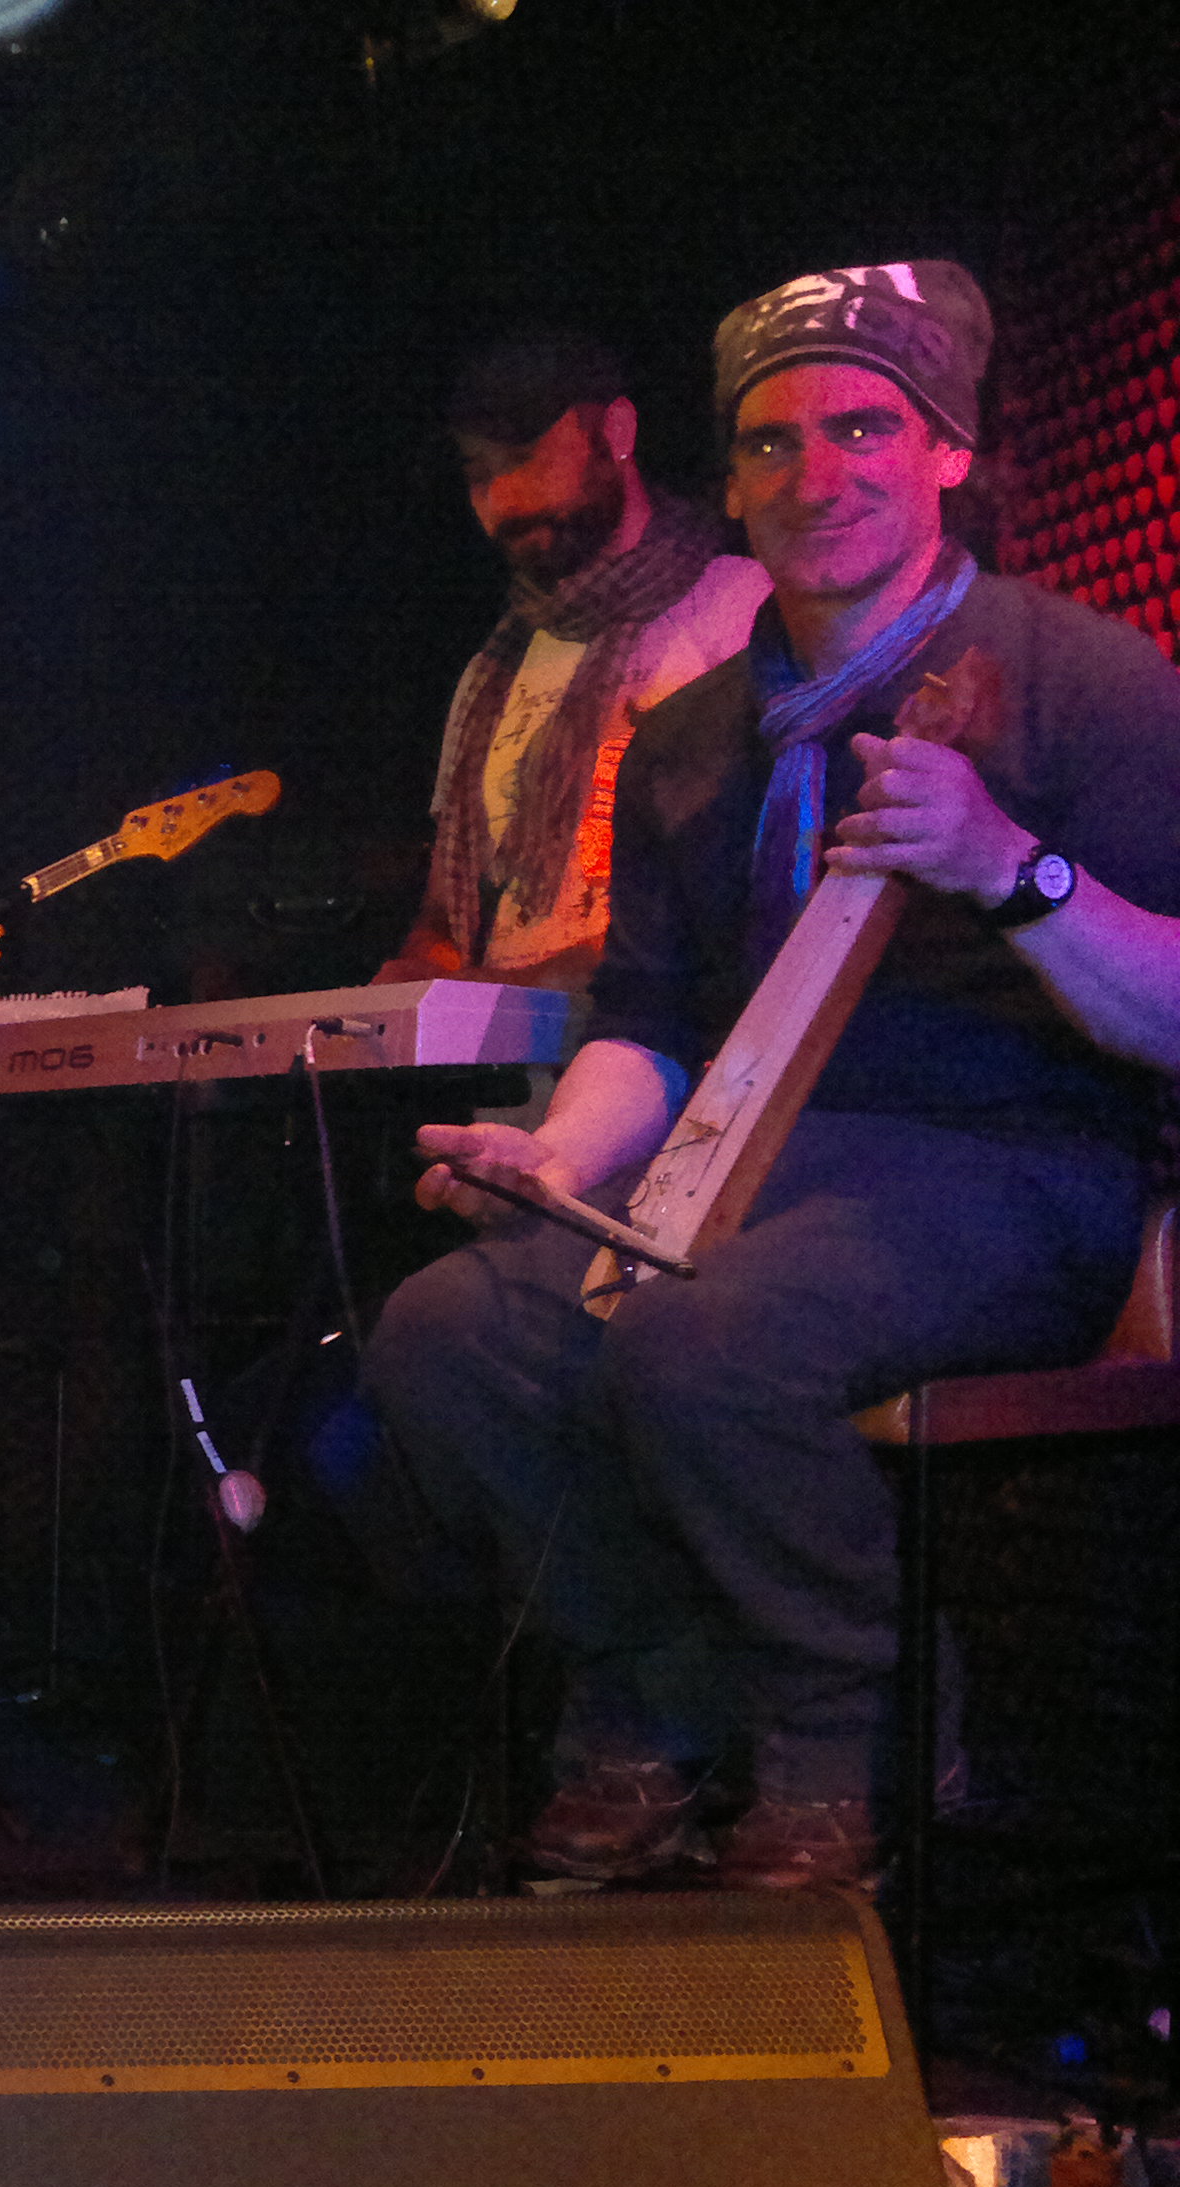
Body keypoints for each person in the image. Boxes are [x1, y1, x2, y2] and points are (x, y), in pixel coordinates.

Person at [368, 260, 1180, 1890]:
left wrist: (1008, 868)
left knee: (708, 1337)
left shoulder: (1091, 680)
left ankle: (843, 1751)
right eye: (772, 441)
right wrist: (561, 1162)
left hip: (1019, 1172)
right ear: (728, 482)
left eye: (864, 428)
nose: (818, 475)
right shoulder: (691, 737)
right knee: (449, 1337)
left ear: (948, 450)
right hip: (748, 1174)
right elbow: (650, 1030)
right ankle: (656, 1691)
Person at [381, 331, 770, 1000]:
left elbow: (739, 889)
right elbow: (448, 912)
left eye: (524, 458)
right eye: (478, 474)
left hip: (667, 1041)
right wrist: (417, 978)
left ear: (616, 432)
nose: (503, 497)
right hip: (512, 1054)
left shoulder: (739, 607)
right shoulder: (492, 670)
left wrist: (521, 985)